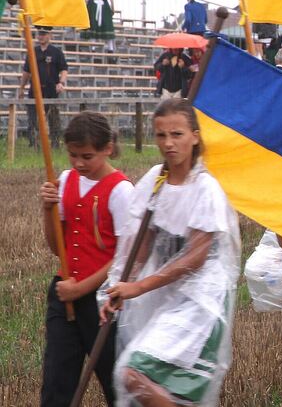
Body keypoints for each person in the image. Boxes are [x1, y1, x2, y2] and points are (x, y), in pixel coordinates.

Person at [99, 99, 240, 406]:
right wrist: (119, 286)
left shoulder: (205, 188)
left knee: (133, 374)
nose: (168, 143)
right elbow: (142, 242)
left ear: (195, 136)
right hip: (163, 294)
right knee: (141, 380)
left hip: (198, 300)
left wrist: (138, 287)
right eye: (161, 135)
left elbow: (195, 258)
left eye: (177, 134)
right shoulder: (155, 180)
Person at [38, 112, 133, 407]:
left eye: (87, 156)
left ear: (108, 149)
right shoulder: (66, 180)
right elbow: (58, 248)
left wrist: (81, 288)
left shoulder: (121, 191)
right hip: (63, 292)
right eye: (73, 155)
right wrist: (47, 210)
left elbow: (125, 257)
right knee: (56, 380)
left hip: (104, 300)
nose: (78, 163)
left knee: (114, 381)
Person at [19, 26, 68, 149]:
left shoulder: (56, 52)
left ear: (50, 35)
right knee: (32, 120)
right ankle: (34, 145)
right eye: (39, 34)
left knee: (53, 120)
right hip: (35, 90)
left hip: (51, 91)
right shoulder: (33, 52)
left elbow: (64, 69)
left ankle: (55, 145)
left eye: (44, 34)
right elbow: (26, 72)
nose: (41, 36)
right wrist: (22, 87)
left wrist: (61, 83)